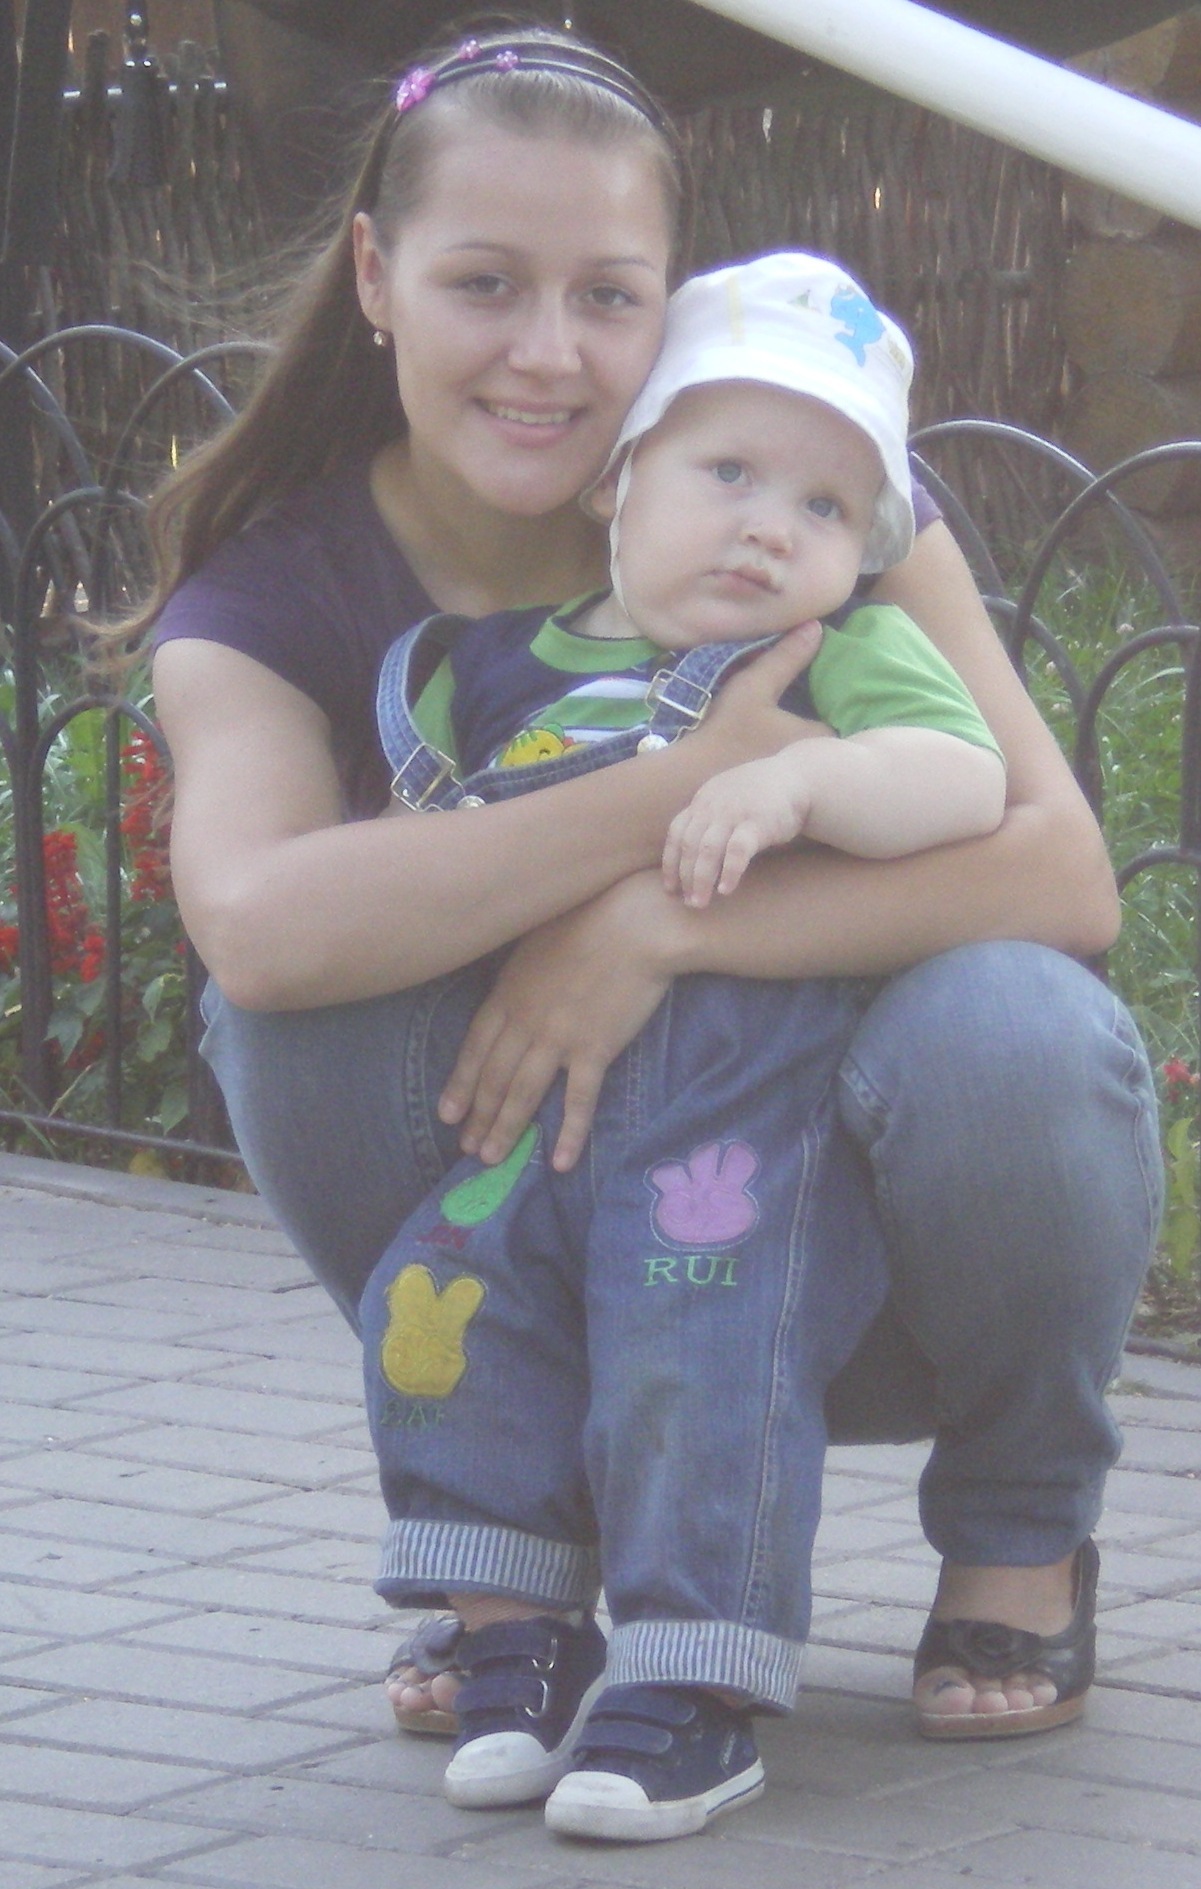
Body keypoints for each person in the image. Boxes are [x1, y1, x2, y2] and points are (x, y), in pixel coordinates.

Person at [145, 14, 1159, 1845]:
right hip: (541, 1204)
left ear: (668, 304)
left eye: (606, 297)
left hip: (849, 1227)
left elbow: (1058, 875)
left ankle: (1019, 1528)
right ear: (374, 277)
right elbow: (259, 927)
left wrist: (659, 935)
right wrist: (666, 801)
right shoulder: (280, 587)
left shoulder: (803, 494)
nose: (548, 352)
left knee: (1018, 1022)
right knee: (282, 1015)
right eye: (484, 283)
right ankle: (514, 1547)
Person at [357, 251, 1011, 1836]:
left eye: (823, 506)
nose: (770, 527)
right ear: (618, 480)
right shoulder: (488, 667)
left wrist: (799, 781)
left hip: (731, 1136)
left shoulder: (836, 656)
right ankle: (513, 1630)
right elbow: (404, 863)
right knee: (435, 1313)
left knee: (697, 1354)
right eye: (728, 473)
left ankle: (692, 1681)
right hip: (532, 1114)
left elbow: (965, 776)